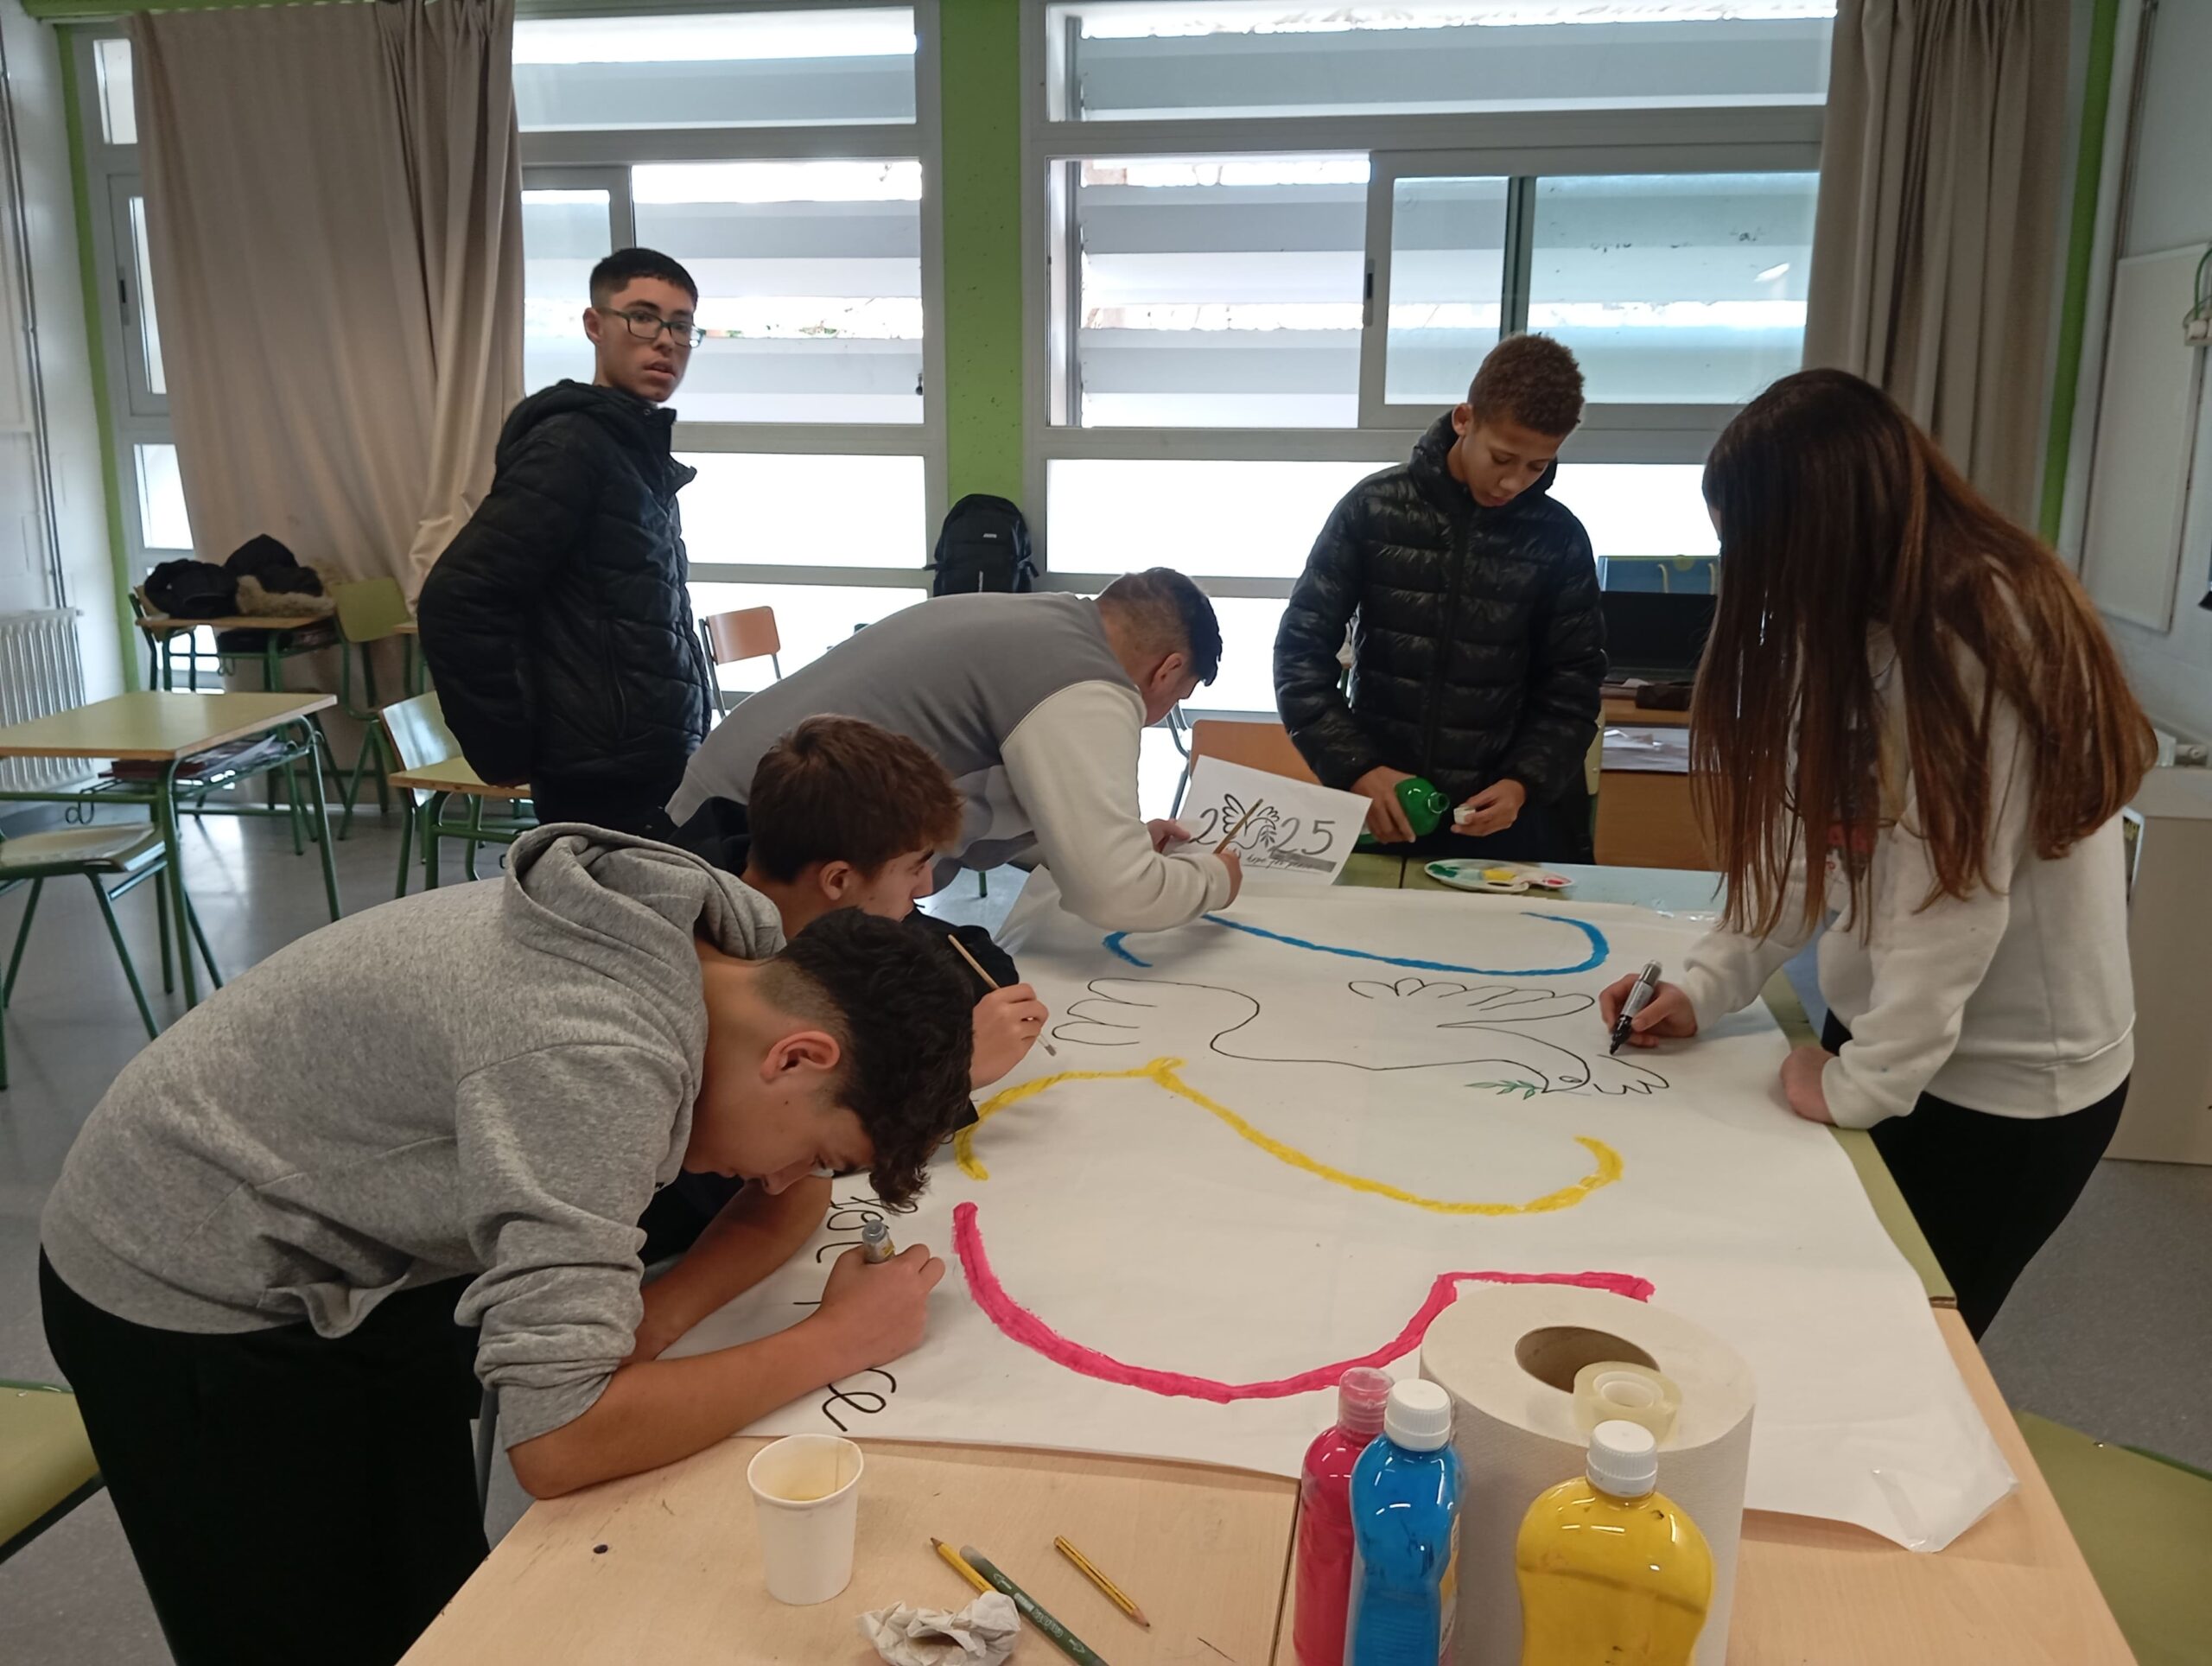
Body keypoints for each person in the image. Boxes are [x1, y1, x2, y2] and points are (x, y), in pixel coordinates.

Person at [39, 824, 975, 1666]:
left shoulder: (743, 961)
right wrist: (838, 1340)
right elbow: (557, 1441)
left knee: (438, 1608)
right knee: (309, 1628)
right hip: (184, 1282)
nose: (786, 1179)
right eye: (816, 1152)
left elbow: (787, 1201)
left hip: (357, 1247)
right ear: (798, 1056)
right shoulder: (592, 1061)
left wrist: (647, 1324)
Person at [1601, 369, 2152, 1340]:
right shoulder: (1845, 619)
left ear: (1822, 533)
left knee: (1906, 1345)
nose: (1753, 581)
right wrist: (1704, 982)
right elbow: (1800, 839)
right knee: (1821, 1317)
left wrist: (1864, 1085)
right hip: (1899, 1040)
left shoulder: (1983, 629)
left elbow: (1954, 904)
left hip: (2006, 1089)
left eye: (1758, 551)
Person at [644, 715, 1053, 1272]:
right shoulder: (683, 992)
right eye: (914, 867)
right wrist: (945, 1079)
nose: (926, 886)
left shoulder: (785, 890)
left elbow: (971, 953)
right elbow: (755, 1174)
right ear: (838, 879)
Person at [669, 569, 1243, 931]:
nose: (1158, 715)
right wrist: (1216, 879)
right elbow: (1115, 896)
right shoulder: (1087, 681)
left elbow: (1014, 800)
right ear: (1167, 670)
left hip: (712, 813)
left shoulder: (1045, 624)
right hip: (753, 859)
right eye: (1177, 698)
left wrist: (1116, 842)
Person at [417, 247, 717, 837]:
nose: (665, 341)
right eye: (643, 317)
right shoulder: (571, 447)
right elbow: (460, 597)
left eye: (681, 326)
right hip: (603, 773)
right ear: (595, 325)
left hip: (649, 759)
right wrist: (506, 747)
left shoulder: (630, 450)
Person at [1275, 333, 1605, 860]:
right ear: (1464, 419)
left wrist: (1524, 782)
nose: (1513, 482)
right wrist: (1355, 767)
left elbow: (1573, 688)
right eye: (1502, 458)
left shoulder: (1558, 538)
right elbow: (1299, 655)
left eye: (1537, 466)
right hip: (1380, 809)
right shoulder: (1373, 508)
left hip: (1501, 825)